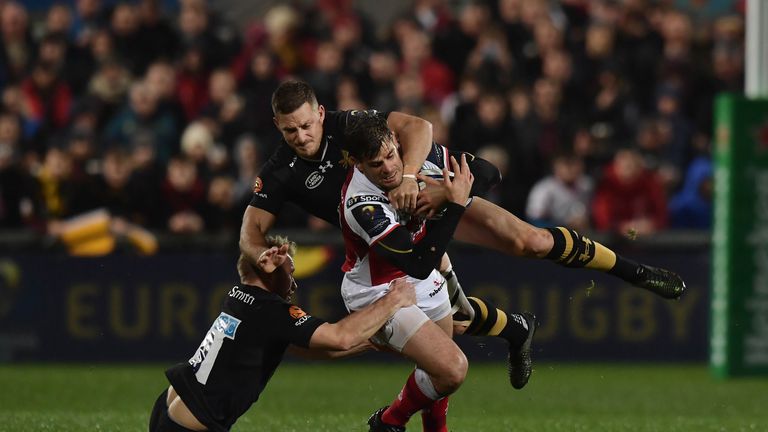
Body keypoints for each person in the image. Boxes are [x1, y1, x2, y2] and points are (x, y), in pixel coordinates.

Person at [339, 117, 535, 431]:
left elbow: (488, 173)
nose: (389, 168)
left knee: (439, 376)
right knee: (452, 369)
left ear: (395, 142)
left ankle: (414, 426)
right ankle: (390, 421)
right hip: (379, 292)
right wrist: (455, 204)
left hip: (424, 275)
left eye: (391, 156)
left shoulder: (412, 160)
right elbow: (416, 262)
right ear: (358, 165)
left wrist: (440, 190)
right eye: (377, 165)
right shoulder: (362, 204)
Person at [148, 235, 417, 432]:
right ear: (269, 269)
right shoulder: (269, 310)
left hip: (171, 412)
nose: (294, 282)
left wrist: (371, 343)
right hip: (190, 425)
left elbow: (305, 349)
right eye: (290, 271)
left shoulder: (241, 298)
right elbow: (340, 337)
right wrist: (393, 299)